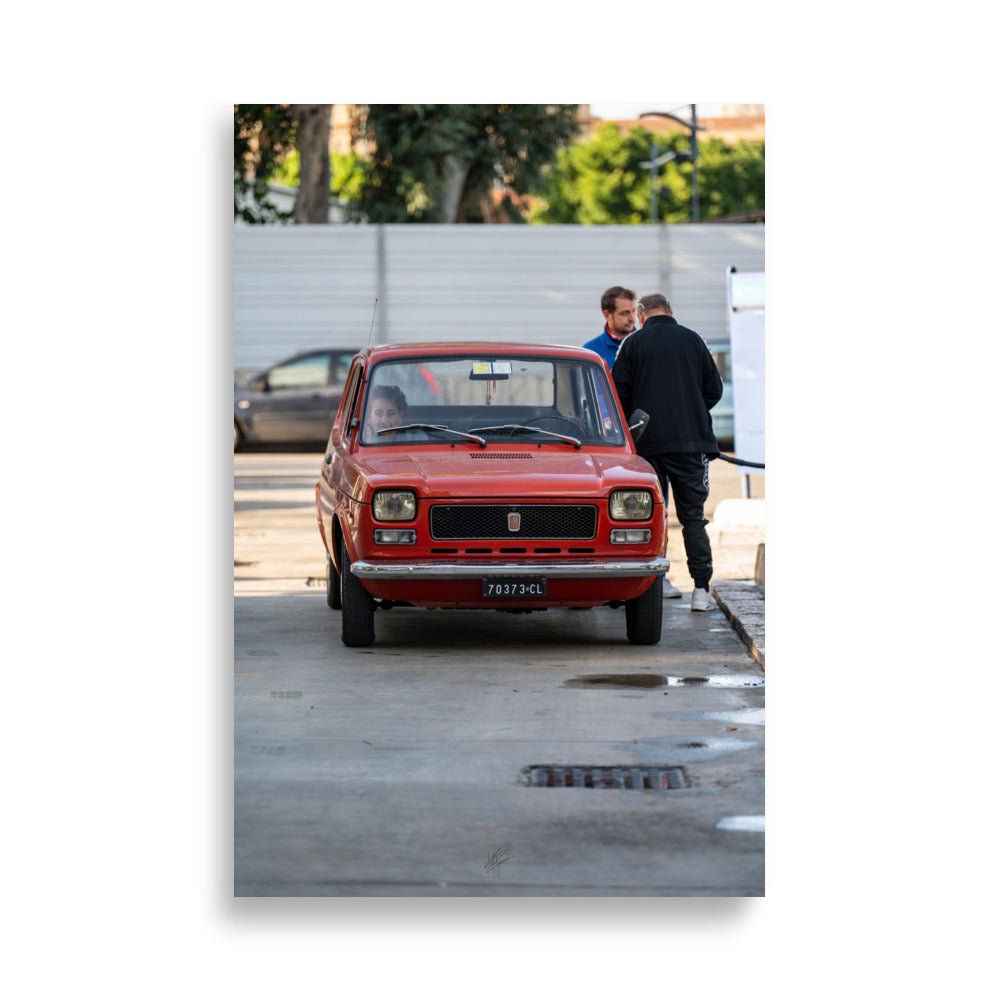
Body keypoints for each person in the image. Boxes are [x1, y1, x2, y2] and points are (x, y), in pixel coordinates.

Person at [612, 294, 724, 612]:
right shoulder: (694, 340)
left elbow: (619, 395)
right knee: (693, 518)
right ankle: (701, 591)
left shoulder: (632, 344)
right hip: (691, 446)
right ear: (671, 313)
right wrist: (691, 413)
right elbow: (714, 390)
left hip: (647, 447)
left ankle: (656, 580)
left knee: (653, 515)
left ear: (643, 316)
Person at [583, 286, 636, 370]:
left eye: (633, 311)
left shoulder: (647, 344)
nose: (632, 318)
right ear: (607, 315)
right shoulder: (590, 351)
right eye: (624, 313)